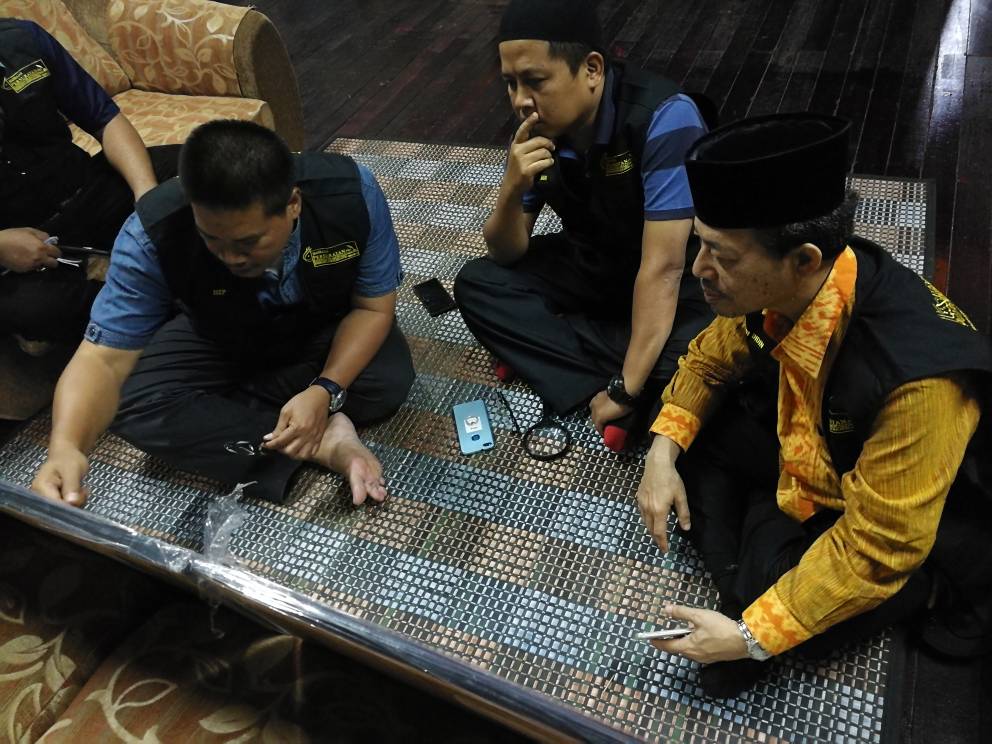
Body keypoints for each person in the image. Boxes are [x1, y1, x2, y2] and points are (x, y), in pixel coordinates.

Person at [635, 112, 992, 697]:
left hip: (880, 511)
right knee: (673, 414)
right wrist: (660, 455)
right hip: (812, 446)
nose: (698, 270)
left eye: (721, 255)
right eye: (700, 244)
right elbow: (708, 361)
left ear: (802, 259)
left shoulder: (920, 384)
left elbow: (878, 547)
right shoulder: (791, 282)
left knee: (775, 629)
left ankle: (751, 589)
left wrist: (749, 636)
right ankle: (752, 564)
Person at [31, 120, 415, 506]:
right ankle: (325, 441)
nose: (231, 257)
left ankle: (253, 406)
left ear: (292, 203)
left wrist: (326, 388)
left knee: (386, 381)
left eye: (248, 242)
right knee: (132, 403)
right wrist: (65, 446)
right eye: (212, 238)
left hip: (322, 323)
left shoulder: (350, 194)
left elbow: (372, 309)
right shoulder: (151, 232)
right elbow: (100, 359)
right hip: (223, 333)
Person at [453, 0, 713, 448]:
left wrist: (626, 385)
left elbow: (663, 269)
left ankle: (579, 361)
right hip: (594, 263)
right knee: (478, 284)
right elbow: (506, 252)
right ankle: (622, 379)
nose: (520, 100)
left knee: (711, 344)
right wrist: (512, 189)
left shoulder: (665, 116)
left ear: (592, 69)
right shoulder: (538, 127)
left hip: (670, 279)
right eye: (510, 83)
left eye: (535, 81)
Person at [0, 18, 177, 348]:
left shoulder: (20, 38)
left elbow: (104, 118)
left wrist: (146, 194)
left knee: (195, 165)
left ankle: (144, 300)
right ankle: (167, 314)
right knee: (35, 309)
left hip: (84, 186)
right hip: (21, 237)